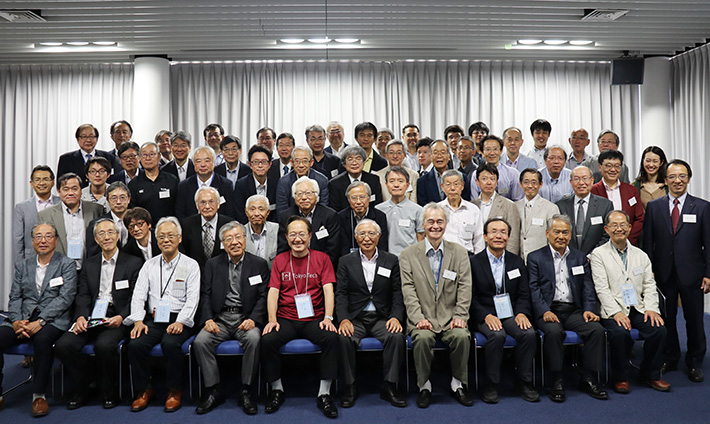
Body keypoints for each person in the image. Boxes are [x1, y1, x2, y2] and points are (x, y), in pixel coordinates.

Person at [54, 218, 142, 409]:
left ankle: (108, 390)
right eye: (101, 233)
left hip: (116, 316)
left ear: (118, 236)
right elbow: (83, 294)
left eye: (111, 232)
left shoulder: (133, 263)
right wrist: (80, 317)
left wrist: (122, 317)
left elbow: (137, 297)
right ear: (95, 239)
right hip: (91, 315)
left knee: (104, 346)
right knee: (63, 345)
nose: (107, 237)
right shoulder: (89, 264)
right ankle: (84, 385)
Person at [261, 217, 340, 418]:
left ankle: (324, 394)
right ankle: (277, 390)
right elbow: (273, 292)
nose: (298, 239)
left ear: (310, 236)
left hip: (314, 318)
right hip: (286, 317)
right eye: (293, 234)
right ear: (286, 237)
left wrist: (329, 318)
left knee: (331, 338)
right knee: (268, 340)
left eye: (302, 234)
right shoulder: (279, 260)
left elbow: (328, 290)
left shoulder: (322, 258)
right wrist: (272, 319)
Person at [527, 214, 608, 402]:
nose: (561, 236)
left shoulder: (579, 257)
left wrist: (589, 308)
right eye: (556, 232)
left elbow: (588, 286)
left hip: (573, 310)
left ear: (570, 236)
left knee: (596, 330)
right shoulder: (535, 258)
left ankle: (589, 377)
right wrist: (544, 311)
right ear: (547, 233)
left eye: (565, 232)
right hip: (548, 310)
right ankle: (557, 379)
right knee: (554, 333)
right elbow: (533, 288)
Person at [400, 203, 474, 408]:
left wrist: (460, 315)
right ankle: (424, 385)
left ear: (446, 224)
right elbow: (408, 290)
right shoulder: (408, 254)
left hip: (451, 316)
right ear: (423, 224)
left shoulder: (459, 252)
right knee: (422, 339)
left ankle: (458, 383)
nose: (435, 226)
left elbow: (465, 286)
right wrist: (417, 318)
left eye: (440, 221)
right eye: (430, 221)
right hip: (421, 318)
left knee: (461, 336)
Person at [0, 222, 77, 417]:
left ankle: (39, 395)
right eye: (38, 237)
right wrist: (17, 320)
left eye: (48, 236)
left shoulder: (66, 264)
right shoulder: (23, 265)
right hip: (23, 318)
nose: (43, 241)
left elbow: (65, 298)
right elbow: (15, 296)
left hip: (53, 320)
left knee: (43, 340)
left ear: (56, 240)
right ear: (33, 241)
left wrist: (41, 321)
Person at [643, 159, 710, 383]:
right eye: (672, 176)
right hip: (662, 274)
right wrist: (648, 272)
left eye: (682, 176)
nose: (677, 180)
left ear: (689, 179)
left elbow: (708, 244)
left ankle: (695, 361)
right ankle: (670, 357)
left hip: (693, 274)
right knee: (666, 319)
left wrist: (708, 273)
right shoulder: (654, 207)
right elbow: (647, 242)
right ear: (665, 180)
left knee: (694, 320)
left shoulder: (702, 207)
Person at [193, 221, 270, 415]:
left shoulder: (258, 264)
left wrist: (253, 319)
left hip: (245, 317)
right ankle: (213, 389)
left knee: (253, 338)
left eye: (238, 237)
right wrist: (208, 319)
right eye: (229, 239)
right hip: (220, 319)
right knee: (201, 341)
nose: (234, 242)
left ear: (245, 239)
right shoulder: (212, 264)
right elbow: (206, 294)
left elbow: (263, 296)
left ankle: (247, 389)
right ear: (222, 243)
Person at [125, 217, 200, 413]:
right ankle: (144, 389)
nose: (166, 240)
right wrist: (138, 320)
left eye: (170, 236)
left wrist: (182, 321)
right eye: (161, 237)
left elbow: (193, 299)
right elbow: (138, 295)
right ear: (156, 241)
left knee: (171, 343)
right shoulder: (149, 265)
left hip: (180, 318)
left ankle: (174, 390)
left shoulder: (191, 265)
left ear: (180, 238)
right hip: (155, 318)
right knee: (135, 344)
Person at [590, 210, 670, 393]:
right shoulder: (598, 255)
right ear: (607, 229)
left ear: (630, 228)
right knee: (620, 333)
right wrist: (615, 312)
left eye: (623, 225)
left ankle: (650, 374)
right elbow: (601, 289)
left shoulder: (641, 254)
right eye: (614, 226)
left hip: (637, 307)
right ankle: (621, 377)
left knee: (659, 330)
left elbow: (650, 284)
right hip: (613, 308)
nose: (619, 229)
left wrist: (651, 309)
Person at [336, 219, 407, 408]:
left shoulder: (390, 260)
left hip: (382, 317)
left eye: (371, 234)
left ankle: (390, 386)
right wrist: (343, 319)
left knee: (396, 337)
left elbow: (397, 292)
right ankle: (350, 386)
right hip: (355, 317)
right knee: (343, 338)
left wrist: (395, 317)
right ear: (355, 237)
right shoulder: (345, 261)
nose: (367, 238)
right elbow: (341, 293)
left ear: (379, 236)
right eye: (362, 234)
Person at [469, 218, 539, 403]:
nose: (498, 236)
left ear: (508, 237)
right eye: (493, 232)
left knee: (528, 333)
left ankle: (524, 382)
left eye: (503, 232)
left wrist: (522, 313)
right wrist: (486, 315)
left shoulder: (517, 261)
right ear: (485, 236)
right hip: (485, 313)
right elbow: (470, 297)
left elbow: (524, 294)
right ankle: (491, 384)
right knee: (497, 335)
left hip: (511, 313)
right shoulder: (474, 262)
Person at [38, 173, 105, 269]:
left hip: (90, 268)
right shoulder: (46, 215)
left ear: (81, 190)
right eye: (66, 189)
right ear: (58, 191)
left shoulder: (96, 209)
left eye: (74, 189)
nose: (70, 193)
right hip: (59, 269)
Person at [277, 176, 341, 268]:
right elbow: (283, 248)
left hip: (322, 267)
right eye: (299, 194)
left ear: (316, 196)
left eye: (308, 193)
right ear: (294, 197)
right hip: (294, 267)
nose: (304, 197)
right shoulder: (286, 217)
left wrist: (318, 268)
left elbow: (333, 249)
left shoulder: (330, 215)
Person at [590, 150, 644, 246]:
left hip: (628, 244)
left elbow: (639, 219)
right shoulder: (592, 191)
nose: (613, 170)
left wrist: (626, 239)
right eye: (608, 166)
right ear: (600, 167)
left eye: (617, 166)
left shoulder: (632, 191)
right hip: (601, 246)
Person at [556, 166, 613, 255]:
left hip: (596, 257)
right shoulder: (560, 206)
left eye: (585, 178)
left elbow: (607, 234)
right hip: (568, 257)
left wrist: (592, 255)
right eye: (576, 179)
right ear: (571, 182)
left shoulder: (605, 205)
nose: (581, 183)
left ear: (592, 180)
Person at [13, 165, 60, 264]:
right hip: (31, 259)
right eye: (37, 179)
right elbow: (18, 240)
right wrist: (20, 266)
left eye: (46, 179)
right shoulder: (22, 207)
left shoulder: (62, 203)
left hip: (58, 258)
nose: (41, 183)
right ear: (32, 183)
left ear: (53, 183)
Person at [175, 146, 235, 220]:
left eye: (207, 161)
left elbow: (230, 214)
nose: (203, 165)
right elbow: (180, 213)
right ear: (194, 164)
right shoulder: (184, 186)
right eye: (198, 161)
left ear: (214, 163)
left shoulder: (226, 185)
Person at [472, 164, 521, 255]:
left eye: (492, 179)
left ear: (497, 181)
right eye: (484, 179)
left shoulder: (509, 205)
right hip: (477, 257)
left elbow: (513, 239)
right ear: (477, 182)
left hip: (500, 255)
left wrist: (510, 260)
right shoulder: (471, 206)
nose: (489, 182)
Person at [375, 166, 424, 256]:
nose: (396, 185)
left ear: (407, 185)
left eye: (400, 181)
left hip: (409, 259)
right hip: (385, 260)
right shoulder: (378, 210)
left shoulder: (418, 210)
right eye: (392, 181)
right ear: (386, 185)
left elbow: (420, 239)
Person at [128, 142, 180, 225]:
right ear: (139, 158)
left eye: (152, 154)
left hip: (169, 228)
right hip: (145, 231)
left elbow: (179, 208)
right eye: (144, 155)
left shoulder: (171, 180)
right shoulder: (133, 184)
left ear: (159, 157)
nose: (148, 158)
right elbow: (133, 212)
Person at [179, 186, 231, 268]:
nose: (207, 206)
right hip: (195, 272)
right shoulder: (186, 225)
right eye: (202, 202)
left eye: (211, 202)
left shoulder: (229, 224)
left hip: (222, 272)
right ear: (197, 205)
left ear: (218, 204)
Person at [516, 168, 560, 262]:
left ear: (540, 184)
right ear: (521, 184)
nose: (530, 186)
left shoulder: (551, 208)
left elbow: (555, 238)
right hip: (519, 260)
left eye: (534, 182)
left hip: (542, 260)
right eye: (526, 182)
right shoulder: (514, 207)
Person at [438, 169, 484, 254]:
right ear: (442, 187)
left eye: (456, 184)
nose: (452, 188)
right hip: (443, 256)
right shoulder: (437, 210)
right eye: (448, 185)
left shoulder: (473, 210)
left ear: (462, 186)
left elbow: (479, 240)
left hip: (467, 256)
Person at [338, 181, 389, 256]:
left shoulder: (380, 216)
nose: (358, 202)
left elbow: (382, 244)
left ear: (369, 198)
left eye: (362, 197)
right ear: (349, 200)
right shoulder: (341, 217)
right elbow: (343, 246)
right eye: (354, 198)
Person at [275, 145, 330, 213]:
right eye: (297, 161)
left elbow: (323, 208)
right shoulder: (284, 182)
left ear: (311, 162)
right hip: (292, 220)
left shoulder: (322, 180)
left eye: (305, 161)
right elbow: (282, 211)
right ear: (292, 163)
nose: (301, 165)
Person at [328, 145, 382, 212]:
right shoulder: (335, 183)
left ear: (364, 162)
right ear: (344, 164)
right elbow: (335, 210)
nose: (354, 163)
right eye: (350, 159)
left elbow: (377, 205)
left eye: (358, 158)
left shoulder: (374, 180)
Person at [85, 181, 132, 257]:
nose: (118, 202)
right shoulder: (96, 224)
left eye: (122, 197)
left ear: (129, 199)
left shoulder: (136, 222)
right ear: (107, 201)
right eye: (114, 198)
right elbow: (92, 254)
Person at [470, 135, 524, 201]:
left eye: (495, 149)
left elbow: (517, 201)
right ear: (482, 152)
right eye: (488, 149)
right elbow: (475, 201)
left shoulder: (513, 173)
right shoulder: (476, 174)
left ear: (501, 151)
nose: (492, 153)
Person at [233, 145, 278, 224]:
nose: (260, 165)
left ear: (270, 164)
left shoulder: (276, 184)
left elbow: (276, 212)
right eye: (256, 162)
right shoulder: (241, 185)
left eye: (264, 162)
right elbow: (240, 213)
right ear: (250, 165)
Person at [374, 139, 418, 203]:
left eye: (399, 153)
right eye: (391, 152)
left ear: (404, 155)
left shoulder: (413, 175)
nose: (395, 156)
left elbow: (414, 201)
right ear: (386, 155)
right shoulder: (377, 176)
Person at [244, 194, 279, 265]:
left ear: (268, 212)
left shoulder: (277, 229)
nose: (256, 213)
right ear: (246, 212)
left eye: (261, 209)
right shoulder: (240, 232)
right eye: (252, 209)